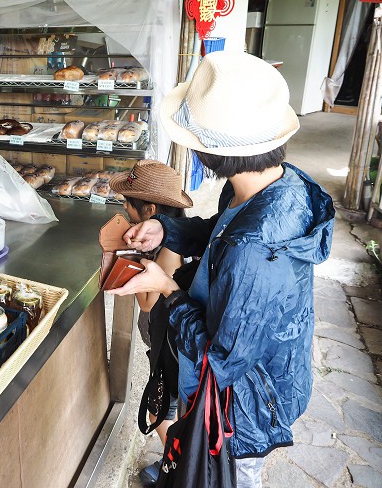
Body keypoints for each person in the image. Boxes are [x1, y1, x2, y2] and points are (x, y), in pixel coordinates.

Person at [110, 51, 334, 488]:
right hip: (268, 368)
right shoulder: (274, 182)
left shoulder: (255, 247)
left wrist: (167, 288)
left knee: (231, 473)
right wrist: (166, 231)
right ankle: (186, 461)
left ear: (211, 154)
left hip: (246, 405)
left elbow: (220, 359)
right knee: (201, 459)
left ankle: (201, 468)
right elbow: (220, 232)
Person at [109, 160, 193, 486]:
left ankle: (182, 465)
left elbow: (147, 301)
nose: (125, 211)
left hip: (170, 350)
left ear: (150, 210)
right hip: (168, 345)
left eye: (128, 205)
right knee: (170, 409)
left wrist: (126, 260)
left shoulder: (170, 251)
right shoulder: (171, 239)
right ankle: (180, 462)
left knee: (160, 413)